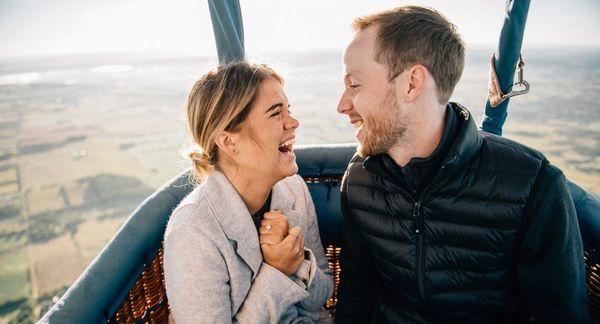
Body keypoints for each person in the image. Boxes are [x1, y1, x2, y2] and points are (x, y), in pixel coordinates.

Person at [334, 6, 591, 323]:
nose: (342, 105)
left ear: (412, 83)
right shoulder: (360, 179)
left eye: (354, 84)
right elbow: (355, 298)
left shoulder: (531, 183)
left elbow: (560, 315)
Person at [163, 62, 333, 323]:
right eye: (276, 113)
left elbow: (321, 298)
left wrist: (299, 261)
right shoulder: (193, 232)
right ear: (230, 141)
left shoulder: (294, 189)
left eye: (290, 110)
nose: (294, 122)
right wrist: (277, 271)